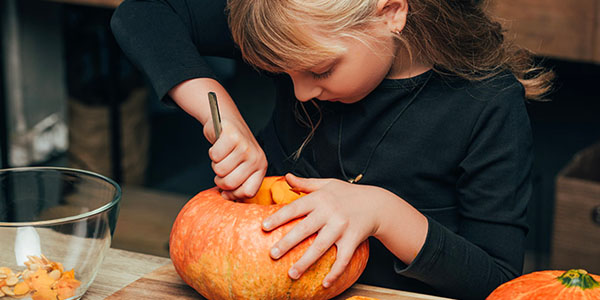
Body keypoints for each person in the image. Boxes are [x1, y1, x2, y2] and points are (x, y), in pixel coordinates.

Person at [111, 0, 553, 299]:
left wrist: (384, 213)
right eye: (282, 74)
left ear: (391, 12)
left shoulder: (489, 104)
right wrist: (220, 116)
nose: (300, 93)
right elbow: (142, 12)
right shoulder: (291, 22)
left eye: (319, 70)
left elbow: (499, 283)